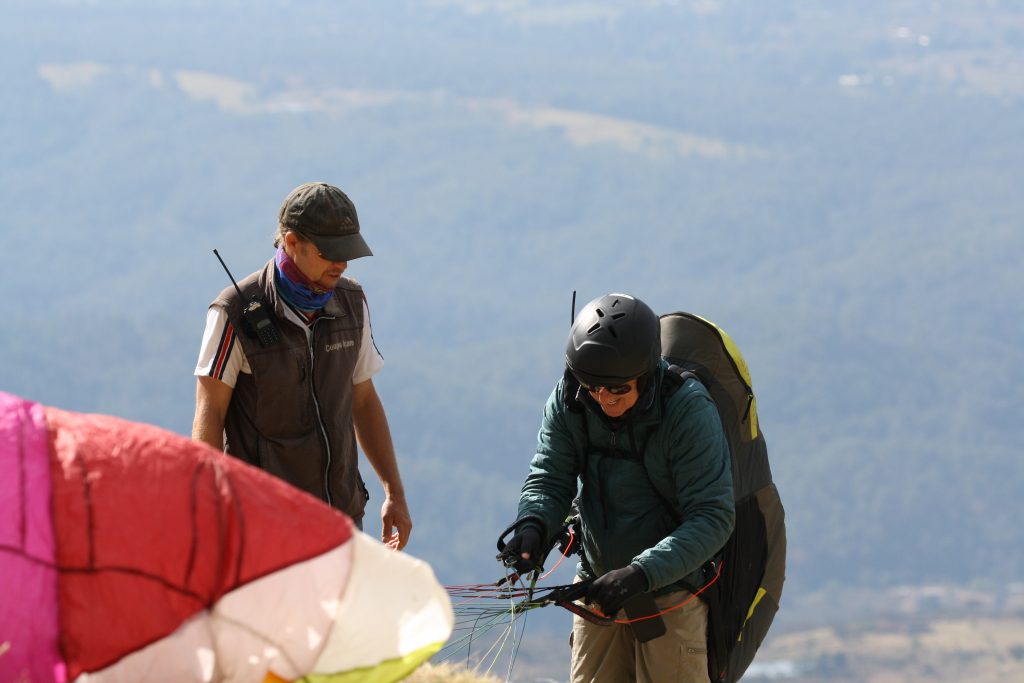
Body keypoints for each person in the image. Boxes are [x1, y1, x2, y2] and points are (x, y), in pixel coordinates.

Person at [500, 293, 734, 682]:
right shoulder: (571, 398)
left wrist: (641, 573)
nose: (603, 398)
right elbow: (550, 475)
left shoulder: (687, 410)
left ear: (645, 374)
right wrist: (534, 524)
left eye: (617, 390)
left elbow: (713, 516)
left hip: (671, 595)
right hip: (597, 586)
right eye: (592, 387)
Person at [192, 181, 412, 549]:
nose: (341, 263)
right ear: (292, 243)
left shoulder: (352, 302)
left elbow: (363, 400)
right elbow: (209, 412)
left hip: (342, 521)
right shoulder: (232, 311)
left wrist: (395, 493)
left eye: (349, 252)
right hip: (262, 527)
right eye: (331, 252)